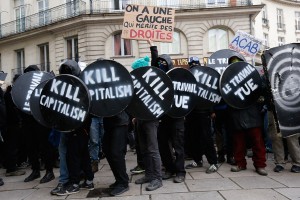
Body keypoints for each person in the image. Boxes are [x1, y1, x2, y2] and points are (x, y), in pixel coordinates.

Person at [55, 59, 94, 196]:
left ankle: (74, 184)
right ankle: (89, 181)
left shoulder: (78, 86)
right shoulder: (80, 84)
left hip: (78, 127)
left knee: (73, 156)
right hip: (80, 127)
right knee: (83, 155)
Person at [228, 56, 267, 176]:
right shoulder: (228, 80)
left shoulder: (253, 77)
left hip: (252, 113)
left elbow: (262, 91)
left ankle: (260, 165)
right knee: (238, 142)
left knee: (257, 141)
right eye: (232, 63)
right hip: (237, 114)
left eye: (237, 62)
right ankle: (240, 163)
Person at [133, 40, 163, 191]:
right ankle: (149, 175)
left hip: (151, 119)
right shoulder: (137, 82)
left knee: (152, 149)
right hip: (140, 119)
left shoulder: (152, 78)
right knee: (144, 149)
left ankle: (157, 178)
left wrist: (153, 47)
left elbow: (156, 65)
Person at [21, 65, 56, 184]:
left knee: (45, 147)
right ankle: (35, 170)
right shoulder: (24, 87)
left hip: (40, 121)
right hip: (28, 121)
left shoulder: (44, 85)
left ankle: (49, 171)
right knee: (31, 148)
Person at [185, 57, 219, 174]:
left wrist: (212, 111)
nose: (193, 66)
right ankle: (197, 159)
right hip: (192, 112)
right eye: (191, 64)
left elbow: (212, 94)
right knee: (193, 137)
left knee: (206, 138)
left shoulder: (206, 78)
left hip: (204, 112)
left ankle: (213, 162)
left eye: (195, 64)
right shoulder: (188, 77)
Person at [3, 74, 26, 177]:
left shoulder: (10, 93)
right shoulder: (10, 94)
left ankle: (12, 166)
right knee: (12, 146)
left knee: (13, 146)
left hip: (12, 124)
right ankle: (11, 169)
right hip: (12, 124)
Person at [103, 111, 130, 196]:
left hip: (120, 122)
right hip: (109, 122)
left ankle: (123, 182)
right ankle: (119, 180)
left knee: (116, 152)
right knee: (107, 149)